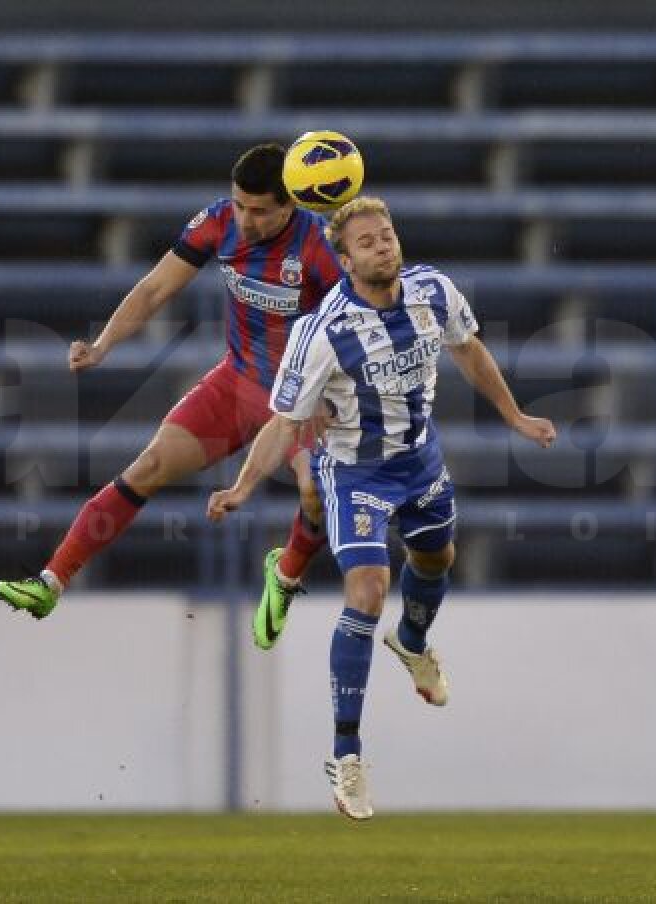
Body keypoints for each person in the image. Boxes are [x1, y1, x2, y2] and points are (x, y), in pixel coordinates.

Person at [207, 196, 556, 820]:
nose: (381, 245)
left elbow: (470, 349)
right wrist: (242, 486)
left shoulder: (435, 292)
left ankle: (413, 641)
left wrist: (515, 415)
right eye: (365, 242)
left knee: (437, 555)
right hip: (355, 472)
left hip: (419, 462)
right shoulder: (325, 332)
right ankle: (347, 755)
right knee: (368, 587)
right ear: (344, 260)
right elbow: (284, 421)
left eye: (386, 234)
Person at [0, 143, 343, 636]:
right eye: (239, 204)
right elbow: (156, 288)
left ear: (291, 205)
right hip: (239, 381)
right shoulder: (218, 223)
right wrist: (102, 345)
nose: (245, 219)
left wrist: (330, 398)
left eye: (259, 210)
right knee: (149, 467)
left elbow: (352, 333)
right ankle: (51, 581)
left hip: (302, 395)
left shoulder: (318, 247)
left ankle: (283, 577)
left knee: (314, 492)